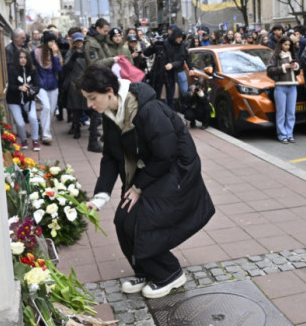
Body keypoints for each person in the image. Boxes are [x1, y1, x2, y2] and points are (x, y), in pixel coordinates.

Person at [80, 65, 215, 299]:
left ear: (109, 91)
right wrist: (100, 196)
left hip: (176, 170)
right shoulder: (111, 113)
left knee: (141, 220)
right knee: (123, 217)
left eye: (92, 98)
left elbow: (166, 153)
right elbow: (111, 157)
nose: (89, 105)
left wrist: (139, 187)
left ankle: (170, 273)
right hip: (151, 170)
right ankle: (144, 270)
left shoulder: (147, 109)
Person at [266, 36, 301, 143]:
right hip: (280, 86)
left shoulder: (292, 54)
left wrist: (296, 66)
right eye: (285, 44)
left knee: (291, 112)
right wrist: (284, 67)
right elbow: (270, 70)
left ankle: (289, 134)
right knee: (281, 113)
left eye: (289, 45)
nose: (287, 46)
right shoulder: (275, 55)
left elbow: (298, 72)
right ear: (281, 44)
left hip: (292, 86)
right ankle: (282, 135)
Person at [32, 31, 63, 145]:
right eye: (50, 41)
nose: (52, 43)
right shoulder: (36, 52)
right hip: (40, 85)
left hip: (53, 85)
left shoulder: (56, 53)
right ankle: (46, 135)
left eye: (54, 41)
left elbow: (58, 69)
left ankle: (44, 129)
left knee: (50, 111)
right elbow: (31, 66)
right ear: (45, 42)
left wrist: (55, 55)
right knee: (46, 107)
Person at [6, 49, 41, 151]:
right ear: (17, 59)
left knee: (33, 118)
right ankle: (24, 140)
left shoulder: (33, 69)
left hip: (28, 99)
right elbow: (10, 86)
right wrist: (19, 87)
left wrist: (32, 90)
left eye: (25, 58)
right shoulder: (11, 69)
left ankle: (35, 140)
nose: (23, 60)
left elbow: (38, 86)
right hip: (14, 100)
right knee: (20, 122)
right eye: (20, 57)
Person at [61, 32, 88, 139]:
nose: (79, 43)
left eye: (80, 41)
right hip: (74, 83)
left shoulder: (87, 51)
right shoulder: (70, 53)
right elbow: (65, 67)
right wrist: (73, 58)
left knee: (90, 107)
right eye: (77, 41)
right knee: (76, 108)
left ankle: (93, 128)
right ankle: (76, 128)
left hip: (86, 82)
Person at [163, 26, 191, 110]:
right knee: (170, 94)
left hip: (179, 70)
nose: (180, 39)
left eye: (181, 38)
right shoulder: (166, 44)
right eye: (179, 37)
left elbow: (183, 59)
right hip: (169, 72)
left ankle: (186, 109)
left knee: (185, 92)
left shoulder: (182, 46)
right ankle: (170, 111)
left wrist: (191, 68)